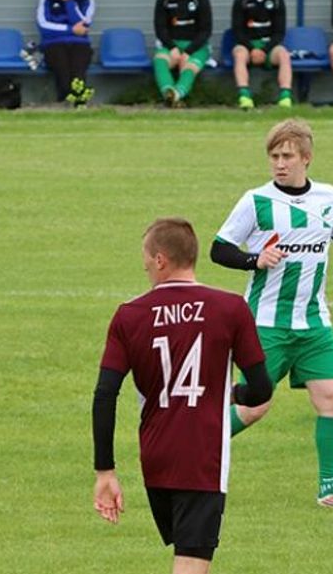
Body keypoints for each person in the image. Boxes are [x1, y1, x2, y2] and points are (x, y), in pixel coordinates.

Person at [93, 218, 273, 574]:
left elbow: (104, 395)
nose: (144, 265)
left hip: (156, 458)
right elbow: (262, 390)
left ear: (160, 260)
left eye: (145, 258)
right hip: (200, 458)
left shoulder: (129, 315)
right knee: (191, 564)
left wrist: (105, 471)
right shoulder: (230, 308)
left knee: (186, 557)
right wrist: (231, 393)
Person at [209, 119, 333, 511]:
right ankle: (194, 447)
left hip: (314, 324)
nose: (279, 163)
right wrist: (253, 259)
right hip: (264, 324)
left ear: (306, 159)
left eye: (287, 156)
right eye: (274, 156)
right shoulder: (256, 202)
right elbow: (219, 248)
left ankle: (330, 489)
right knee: (255, 406)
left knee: (332, 400)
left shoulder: (329, 198)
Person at [230, 0, 293, 110]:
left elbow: (279, 32)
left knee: (284, 54)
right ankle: (244, 97)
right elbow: (237, 31)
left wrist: (264, 50)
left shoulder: (277, 0)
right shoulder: (241, 0)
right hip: (248, 46)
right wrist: (252, 49)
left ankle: (285, 98)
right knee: (239, 53)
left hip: (268, 47)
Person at [152, 0, 212, 108]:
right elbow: (160, 28)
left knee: (189, 67)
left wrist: (188, 51)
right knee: (159, 60)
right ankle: (169, 93)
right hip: (172, 44)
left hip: (196, 46)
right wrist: (172, 47)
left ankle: (176, 94)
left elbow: (206, 30)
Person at [37, 0, 95, 106]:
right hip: (53, 44)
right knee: (61, 65)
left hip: (79, 44)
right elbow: (43, 26)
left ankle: (80, 101)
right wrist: (70, 30)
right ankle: (66, 100)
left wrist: (69, 1)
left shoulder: (87, 0)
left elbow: (83, 24)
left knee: (78, 66)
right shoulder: (46, 0)